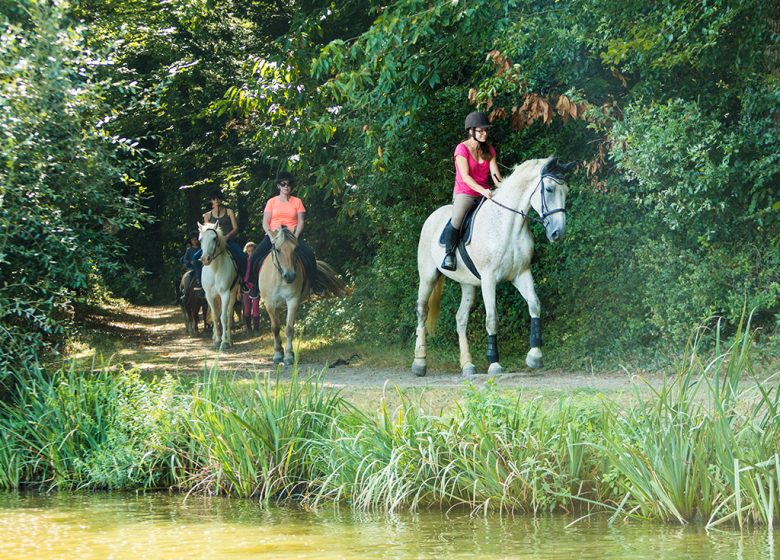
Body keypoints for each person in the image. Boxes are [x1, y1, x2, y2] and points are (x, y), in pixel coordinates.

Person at [441, 111, 503, 271]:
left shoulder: (489, 149)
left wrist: (502, 188)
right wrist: (482, 190)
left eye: (486, 130)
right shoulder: (461, 149)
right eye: (480, 130)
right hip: (466, 192)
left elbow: (495, 175)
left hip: (486, 191)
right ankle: (449, 255)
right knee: (457, 218)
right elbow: (466, 177)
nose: (484, 133)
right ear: (471, 131)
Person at [248, 171, 318, 298]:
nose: (286, 186)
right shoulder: (271, 202)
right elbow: (265, 223)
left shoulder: (297, 202)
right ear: (278, 186)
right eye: (283, 184)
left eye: (289, 184)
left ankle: (315, 284)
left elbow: (301, 222)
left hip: (291, 236)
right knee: (254, 257)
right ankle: (255, 287)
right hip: (274, 235)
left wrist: (295, 237)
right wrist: (271, 237)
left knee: (309, 254)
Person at [193, 188, 246, 283]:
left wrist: (226, 237)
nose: (216, 200)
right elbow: (207, 232)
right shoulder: (207, 215)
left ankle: (242, 281)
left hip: (229, 241)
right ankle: (200, 281)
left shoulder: (229, 212)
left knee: (242, 256)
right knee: (195, 258)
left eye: (218, 198)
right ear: (211, 200)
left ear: (221, 199)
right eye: (214, 199)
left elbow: (235, 228)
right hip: (213, 242)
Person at [241, 241, 261, 336]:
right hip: (245, 286)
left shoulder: (258, 261)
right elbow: (241, 275)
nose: (251, 253)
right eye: (249, 251)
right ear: (246, 252)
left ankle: (256, 329)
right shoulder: (244, 262)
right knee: (247, 309)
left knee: (256, 308)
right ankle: (248, 329)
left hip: (255, 286)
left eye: (252, 251)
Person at [178, 230, 202, 300]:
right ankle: (185, 293)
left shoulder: (201, 249)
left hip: (201, 267)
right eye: (192, 240)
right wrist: (189, 262)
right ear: (191, 241)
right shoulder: (189, 250)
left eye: (196, 239)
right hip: (192, 268)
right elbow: (185, 259)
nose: (194, 241)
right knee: (186, 278)